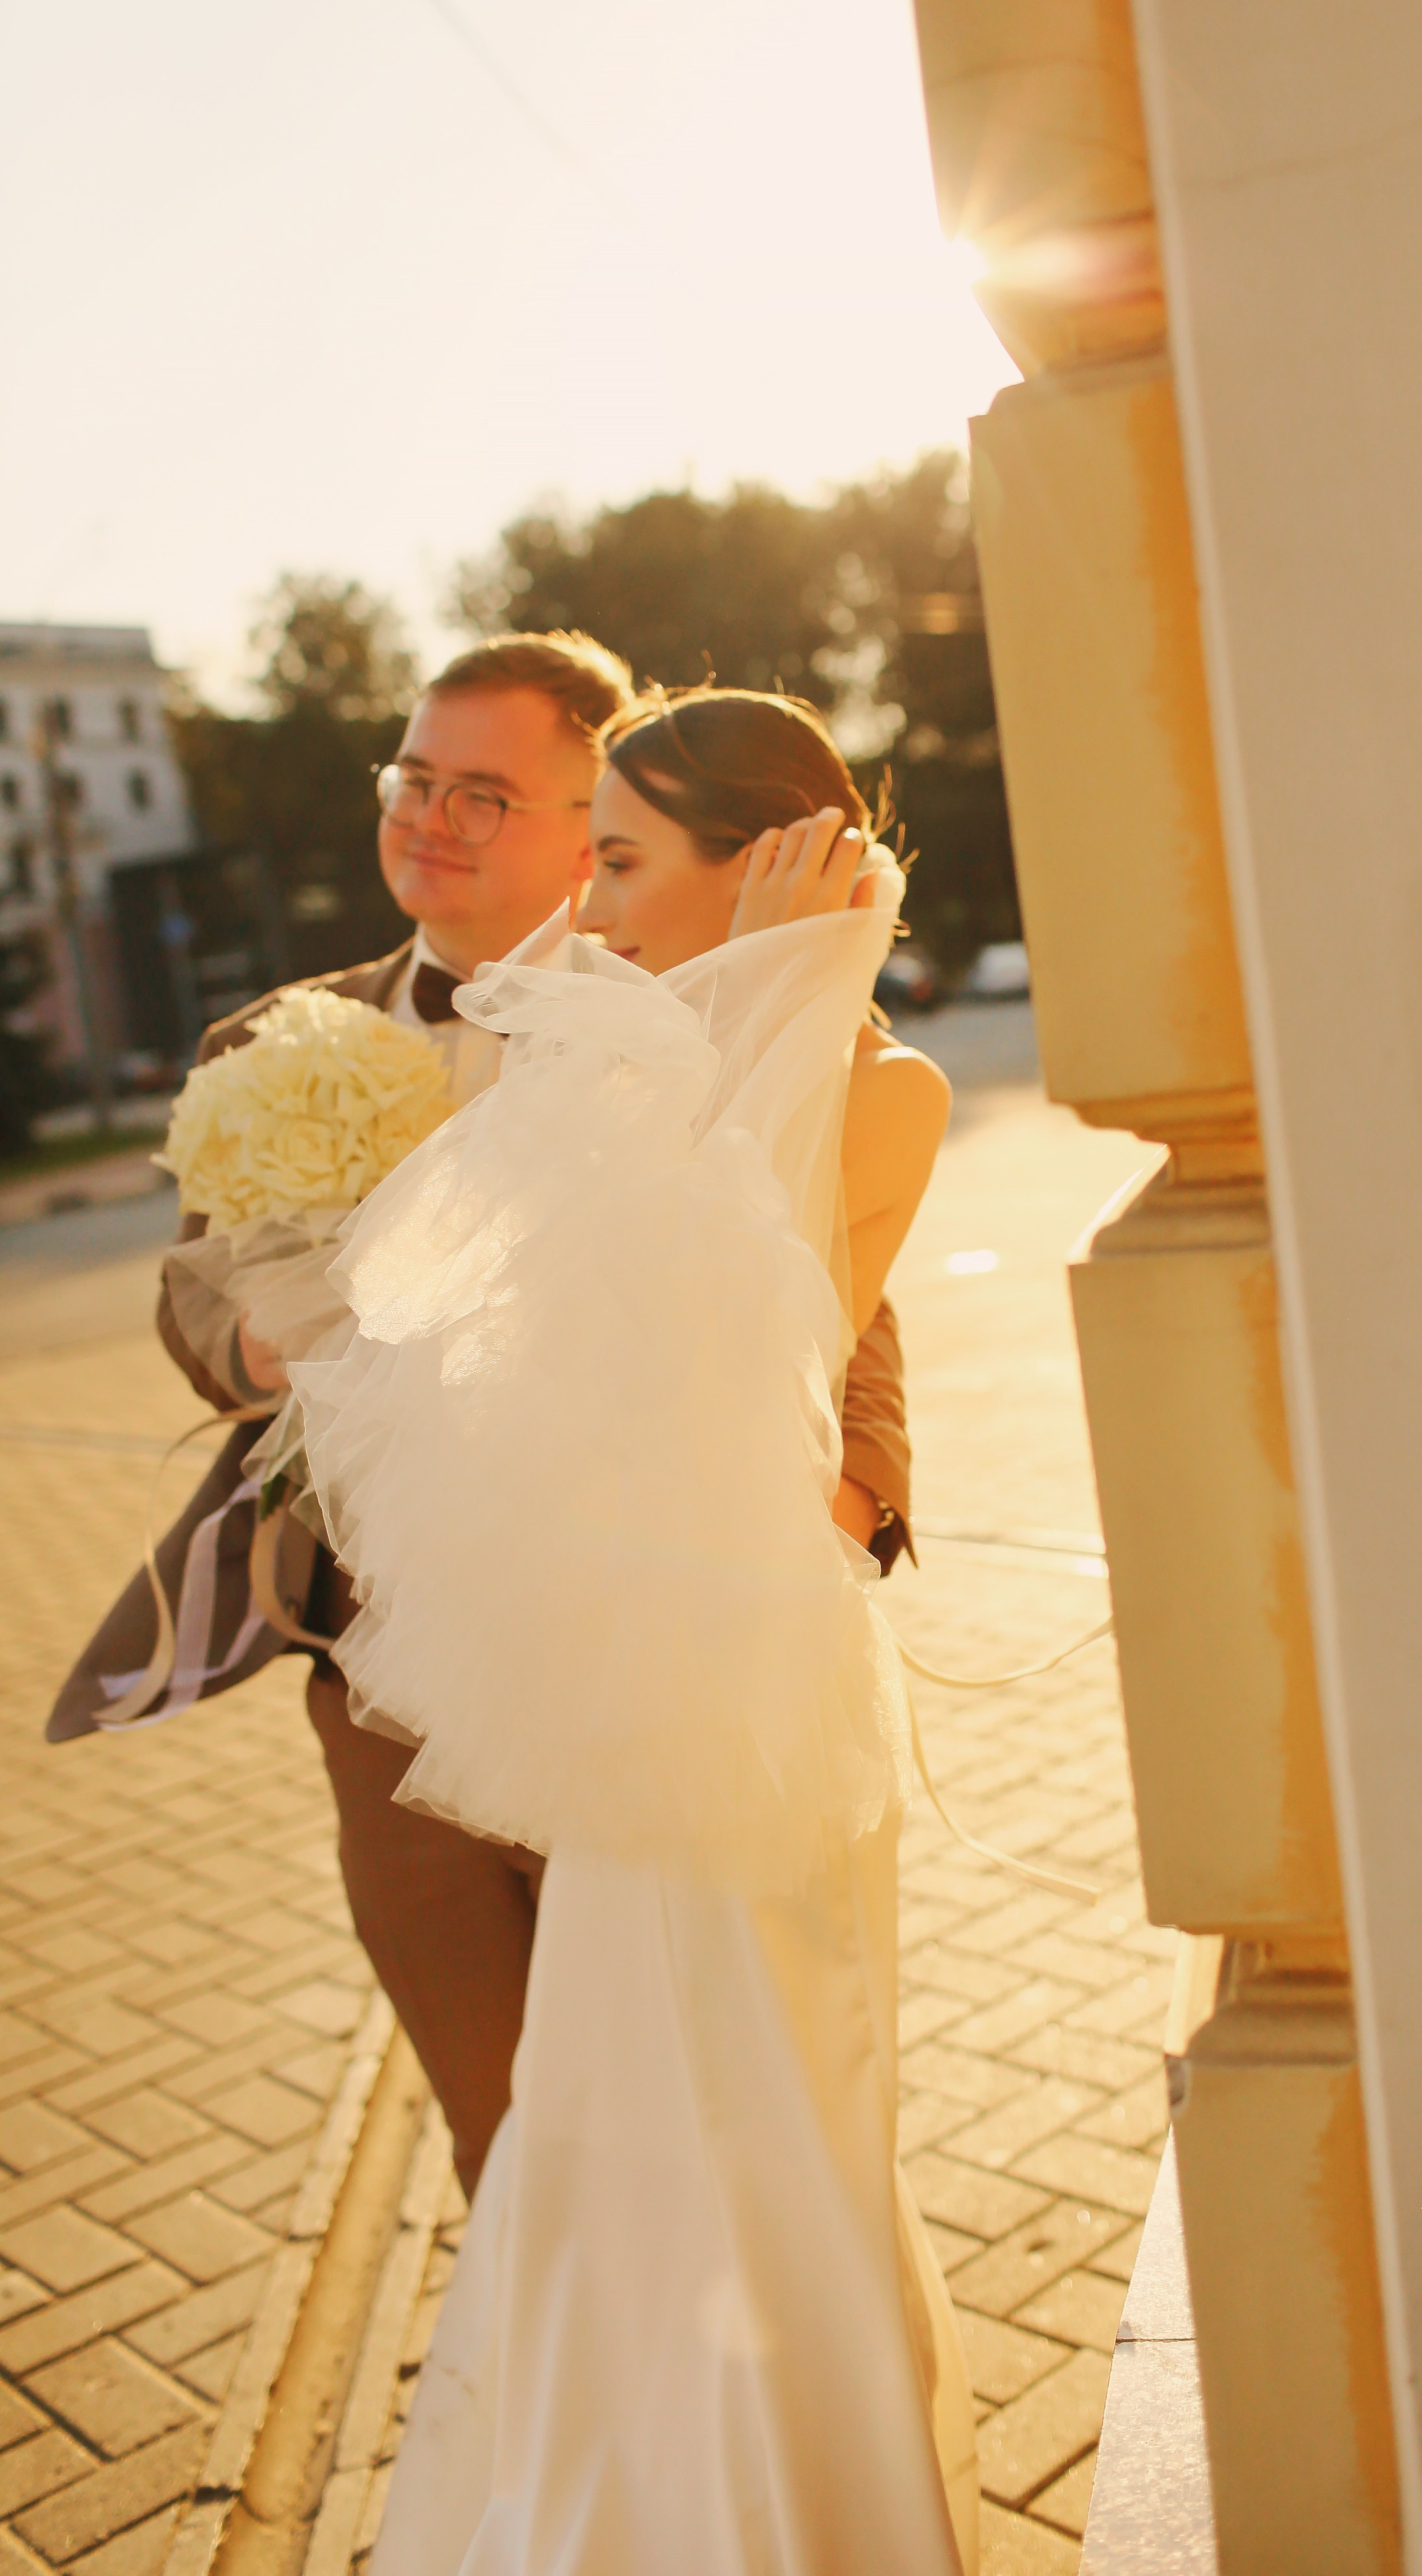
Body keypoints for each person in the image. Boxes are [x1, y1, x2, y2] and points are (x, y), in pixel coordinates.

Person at [50, 637, 920, 2206]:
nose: (429, 817)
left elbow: (828, 1278)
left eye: (485, 791)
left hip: (649, 1656)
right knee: (502, 2140)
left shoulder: (680, 1015)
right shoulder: (271, 1044)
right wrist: (254, 1338)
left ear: (592, 811)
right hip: (377, 1675)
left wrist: (853, 1495)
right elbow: (191, 1285)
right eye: (412, 778)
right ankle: (543, 2428)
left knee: (699, 2124)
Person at [295, 689, 976, 2573]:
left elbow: (752, 1354)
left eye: (616, 858)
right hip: (625, 1691)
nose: (582, 910)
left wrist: (760, 1004)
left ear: (753, 865)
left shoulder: (883, 1085)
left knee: (781, 2103)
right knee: (620, 2119)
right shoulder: (602, 1061)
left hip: (753, 1676)